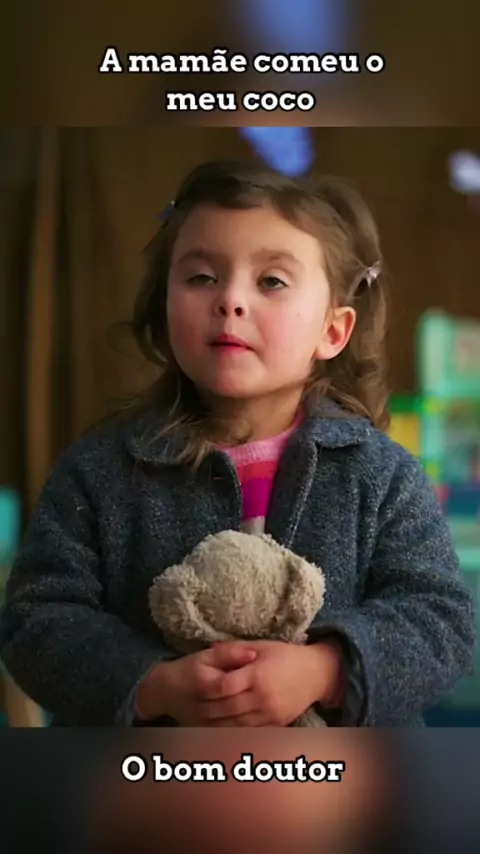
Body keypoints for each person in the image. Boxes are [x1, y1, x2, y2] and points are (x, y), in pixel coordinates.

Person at [0, 160, 475, 727]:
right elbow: (36, 620)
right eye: (202, 277)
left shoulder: (382, 474)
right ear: (165, 307)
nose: (230, 300)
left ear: (333, 331)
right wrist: (153, 684)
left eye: (271, 281)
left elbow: (442, 621)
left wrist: (324, 670)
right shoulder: (99, 470)